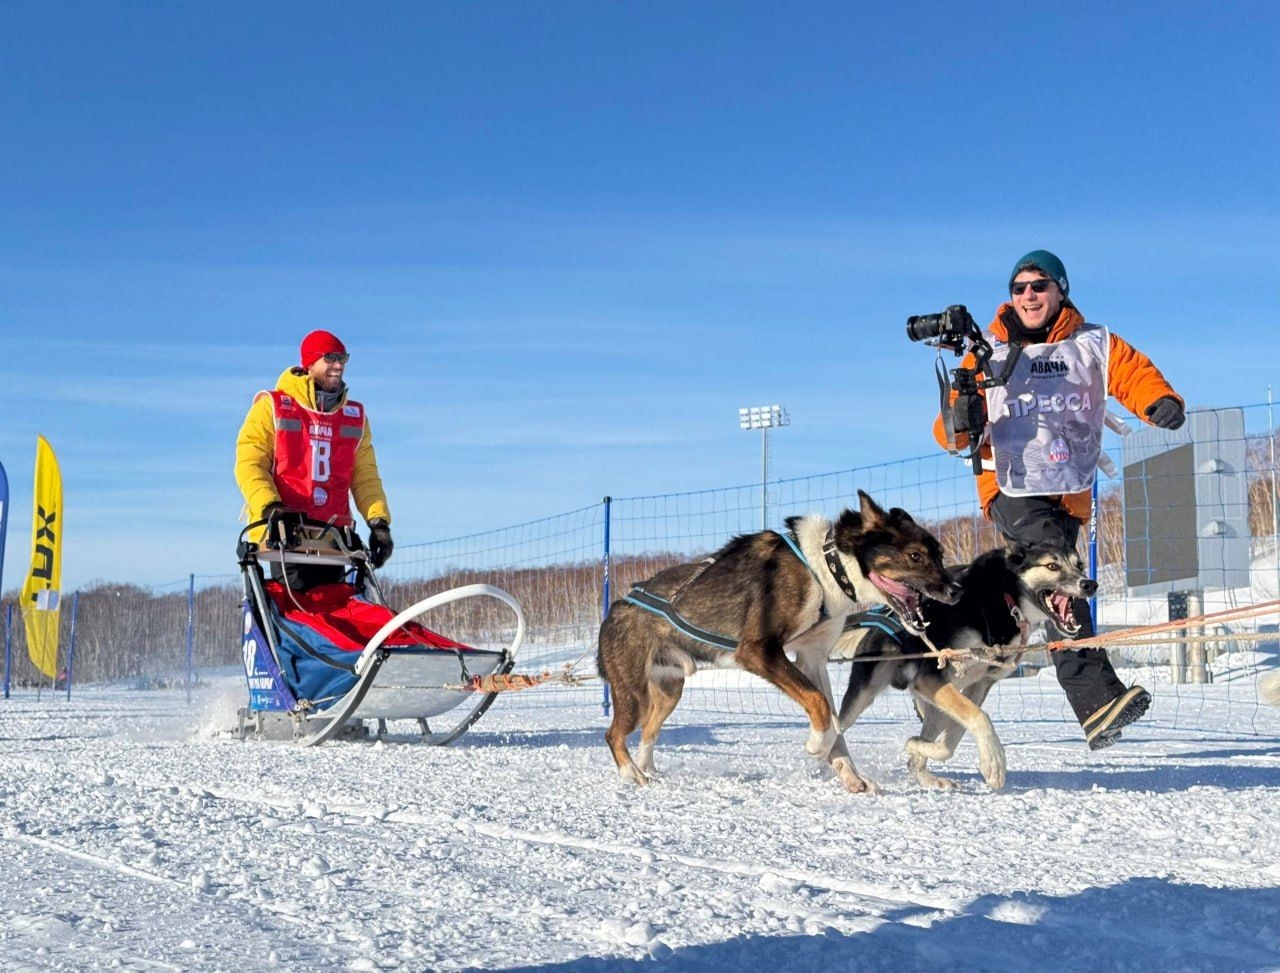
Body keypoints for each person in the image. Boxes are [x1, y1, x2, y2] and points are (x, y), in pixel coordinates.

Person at [933, 249, 1185, 750]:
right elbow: (949, 427)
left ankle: (970, 677)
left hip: (1068, 491)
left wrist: (1160, 401)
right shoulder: (987, 351)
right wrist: (960, 424)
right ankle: (1097, 699)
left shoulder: (1092, 343)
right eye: (1019, 287)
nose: (1028, 294)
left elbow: (1132, 373)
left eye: (1039, 285)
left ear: (1060, 291)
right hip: (1009, 486)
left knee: (1051, 592)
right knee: (1057, 572)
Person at [235, 329, 394, 589]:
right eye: (330, 358)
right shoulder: (272, 407)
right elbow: (250, 463)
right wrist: (269, 506)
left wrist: (379, 523)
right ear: (310, 363)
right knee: (298, 616)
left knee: (339, 615)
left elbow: (365, 476)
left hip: (335, 538)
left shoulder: (354, 417)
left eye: (343, 358)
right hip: (286, 535)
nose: (338, 365)